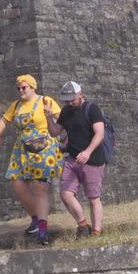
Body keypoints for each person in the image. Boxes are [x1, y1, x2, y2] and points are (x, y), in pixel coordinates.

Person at [0, 74, 63, 245]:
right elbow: (4, 120)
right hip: (22, 149)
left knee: (40, 189)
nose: (21, 90)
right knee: (18, 185)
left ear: (33, 87)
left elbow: (62, 119)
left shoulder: (46, 101)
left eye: (24, 87)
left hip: (43, 148)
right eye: (18, 88)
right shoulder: (16, 106)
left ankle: (43, 230)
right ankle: (36, 219)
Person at [44, 80, 106, 237]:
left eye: (73, 98)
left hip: (92, 160)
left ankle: (96, 232)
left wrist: (87, 152)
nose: (70, 102)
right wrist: (49, 117)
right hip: (72, 160)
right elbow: (54, 132)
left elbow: (100, 133)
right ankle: (83, 225)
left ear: (81, 95)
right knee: (65, 194)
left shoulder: (92, 109)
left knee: (93, 198)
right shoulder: (66, 111)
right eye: (67, 99)